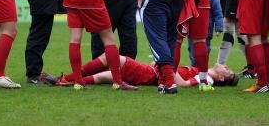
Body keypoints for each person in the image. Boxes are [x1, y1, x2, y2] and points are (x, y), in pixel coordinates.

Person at [47, 54, 239, 88]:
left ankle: (67, 78)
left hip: (150, 74)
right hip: (152, 72)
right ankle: (66, 82)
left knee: (109, 57)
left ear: (221, 78)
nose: (224, 65)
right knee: (102, 77)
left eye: (227, 70)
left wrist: (167, 65)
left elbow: (183, 84)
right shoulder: (204, 74)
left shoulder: (208, 81)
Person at [187, 0, 223, 66]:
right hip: (192, 28)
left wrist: (219, 28)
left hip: (206, 30)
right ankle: (195, 67)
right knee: (192, 50)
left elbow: (218, 13)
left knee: (205, 49)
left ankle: (200, 68)